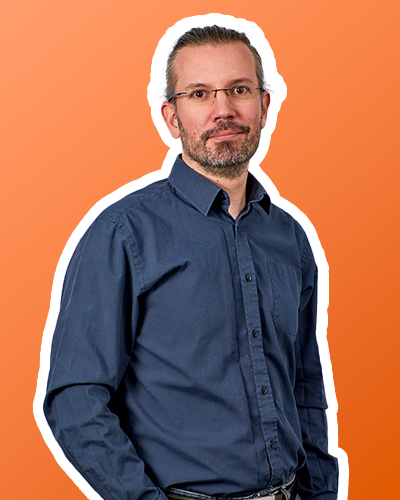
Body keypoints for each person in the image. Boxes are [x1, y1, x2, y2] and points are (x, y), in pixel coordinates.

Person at [43, 24, 339, 500]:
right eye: (200, 94)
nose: (224, 110)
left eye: (239, 89)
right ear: (172, 116)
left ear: (264, 106)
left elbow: (305, 391)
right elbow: (75, 400)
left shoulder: (289, 238)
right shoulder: (123, 234)